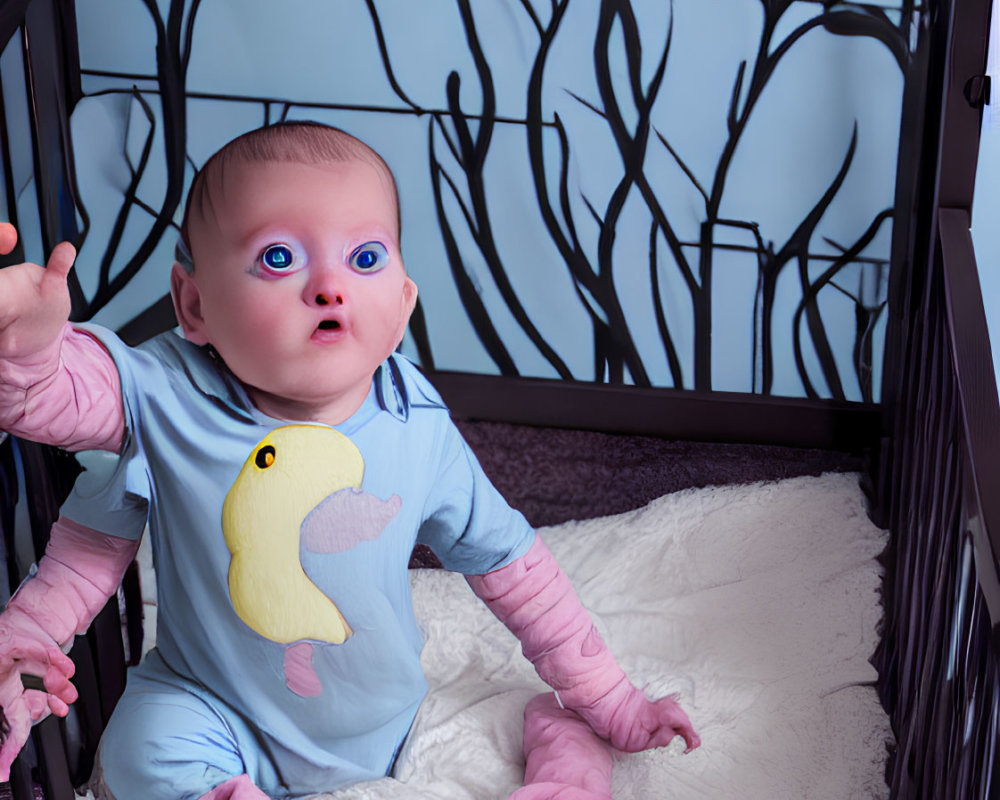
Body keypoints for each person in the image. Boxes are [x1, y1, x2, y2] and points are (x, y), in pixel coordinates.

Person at [0, 122, 699, 800]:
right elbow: (56, 400)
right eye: (279, 258)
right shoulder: (164, 391)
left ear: (401, 306)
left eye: (364, 259)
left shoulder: (414, 421)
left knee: (551, 715)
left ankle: (565, 771)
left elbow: (514, 566)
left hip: (388, 718)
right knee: (137, 749)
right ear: (194, 303)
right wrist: (25, 349)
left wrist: (611, 700)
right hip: (211, 704)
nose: (329, 287)